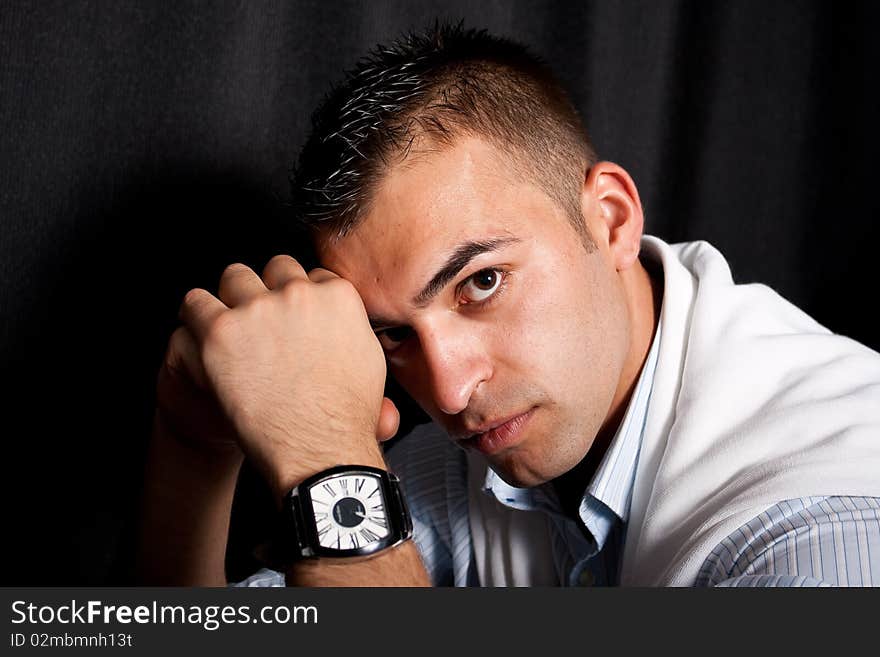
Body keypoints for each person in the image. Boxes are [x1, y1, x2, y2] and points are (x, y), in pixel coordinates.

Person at [137, 24, 880, 587]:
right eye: (392, 334)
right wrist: (197, 448)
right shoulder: (471, 463)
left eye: (481, 282)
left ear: (613, 219)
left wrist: (328, 464)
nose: (451, 391)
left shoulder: (822, 528)